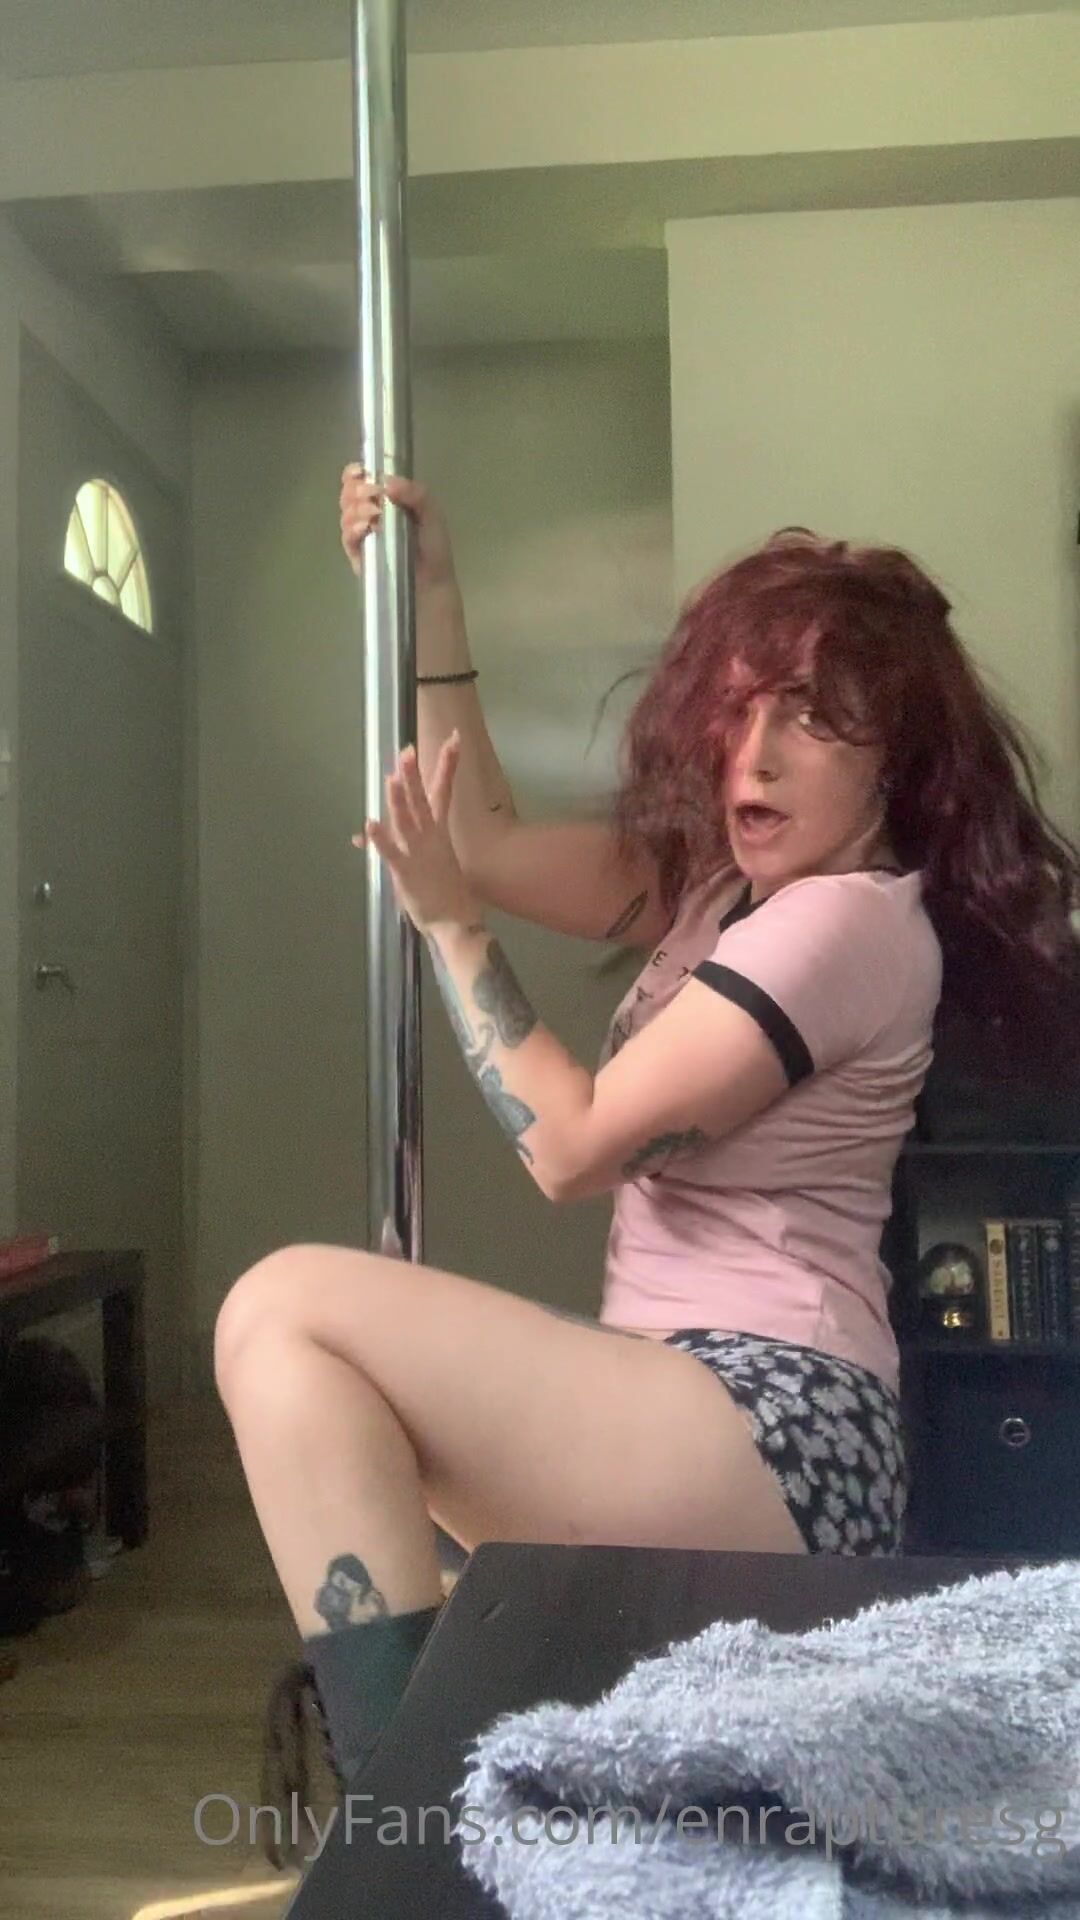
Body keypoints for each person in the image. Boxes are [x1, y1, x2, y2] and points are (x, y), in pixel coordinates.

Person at [214, 466, 1080, 1864]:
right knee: (308, 1371)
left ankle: (406, 1822)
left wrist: (451, 933)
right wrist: (433, 593)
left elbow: (570, 1147)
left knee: (287, 1306)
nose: (757, 757)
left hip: (779, 1421)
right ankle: (420, 1795)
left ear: (897, 757)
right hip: (693, 1398)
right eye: (740, 711)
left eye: (814, 718)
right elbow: (482, 838)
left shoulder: (849, 924)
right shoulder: (720, 895)